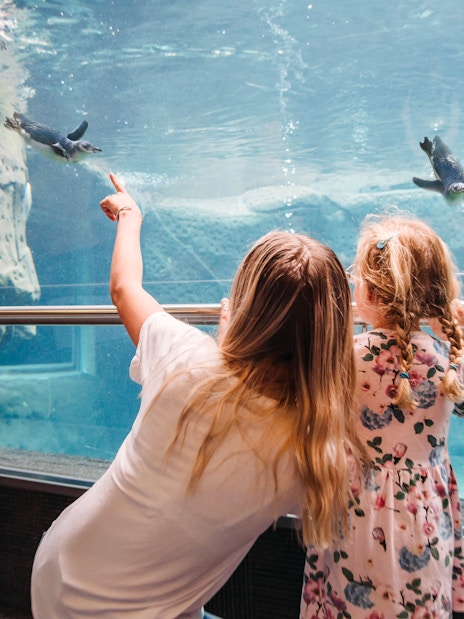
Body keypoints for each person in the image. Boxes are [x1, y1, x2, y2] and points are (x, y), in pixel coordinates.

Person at [30, 173, 365, 619]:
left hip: (58, 578)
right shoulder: (313, 456)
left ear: (242, 306)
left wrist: (130, 215)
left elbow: (124, 289)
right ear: (334, 335)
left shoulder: (183, 357)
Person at [300, 213, 464, 619]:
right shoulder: (449, 358)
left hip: (359, 509)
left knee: (352, 599)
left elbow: (311, 417)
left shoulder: (346, 353)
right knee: (420, 601)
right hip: (426, 511)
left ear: (368, 292)